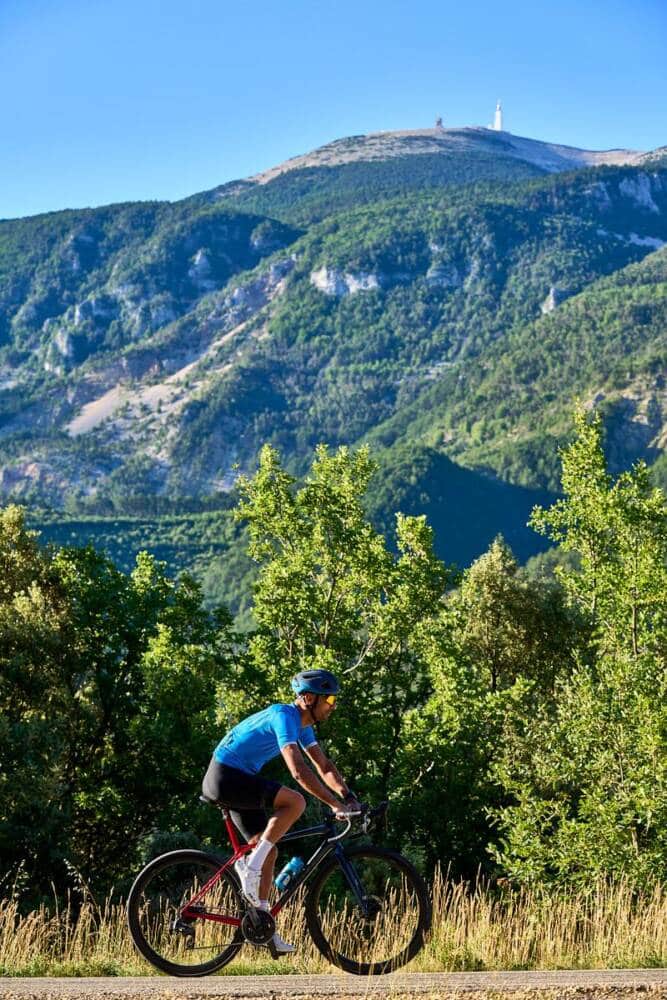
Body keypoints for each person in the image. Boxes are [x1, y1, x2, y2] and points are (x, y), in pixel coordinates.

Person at [202, 668, 362, 955]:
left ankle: (262, 926)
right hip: (225, 776)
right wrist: (333, 804)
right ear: (309, 698)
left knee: (269, 850)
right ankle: (248, 866)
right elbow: (298, 771)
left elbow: (323, 766)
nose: (332, 706)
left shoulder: (304, 726)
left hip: (237, 778)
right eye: (329, 700)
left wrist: (347, 796)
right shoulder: (284, 716)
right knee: (295, 802)